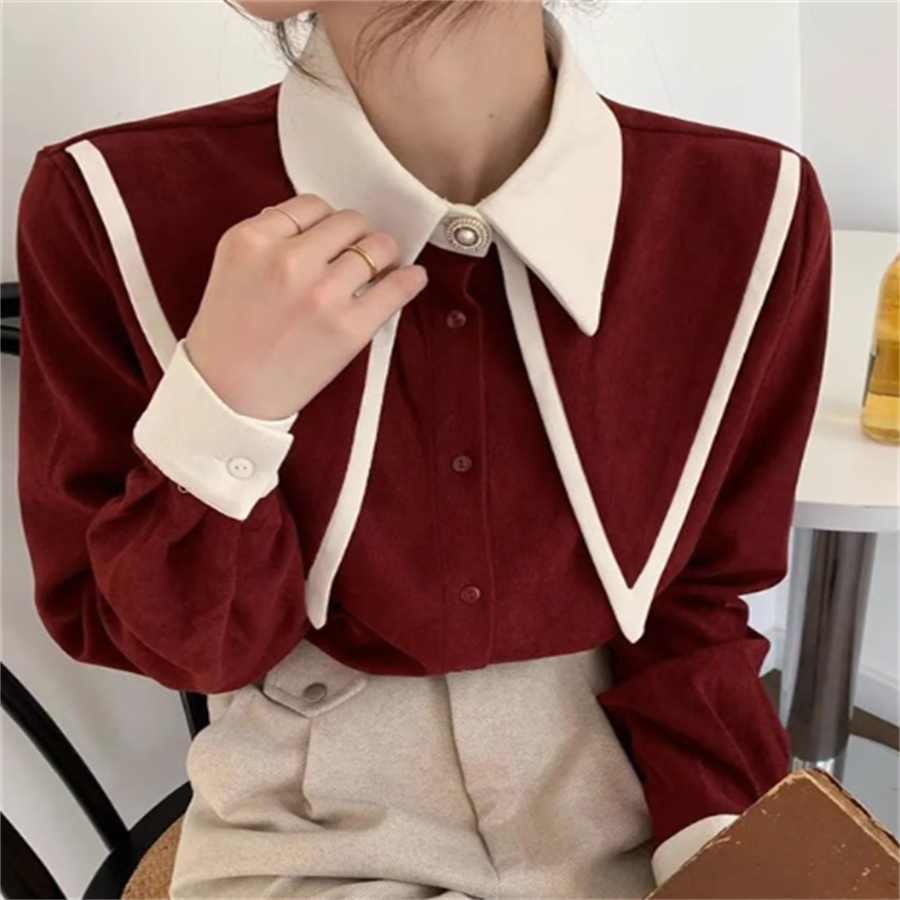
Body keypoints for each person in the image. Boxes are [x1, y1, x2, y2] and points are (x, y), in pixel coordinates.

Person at [15, 0, 832, 897]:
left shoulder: (750, 208)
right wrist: (226, 408)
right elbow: (181, 646)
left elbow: (699, 598)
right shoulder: (115, 200)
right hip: (302, 829)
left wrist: (716, 838)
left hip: (641, 795)